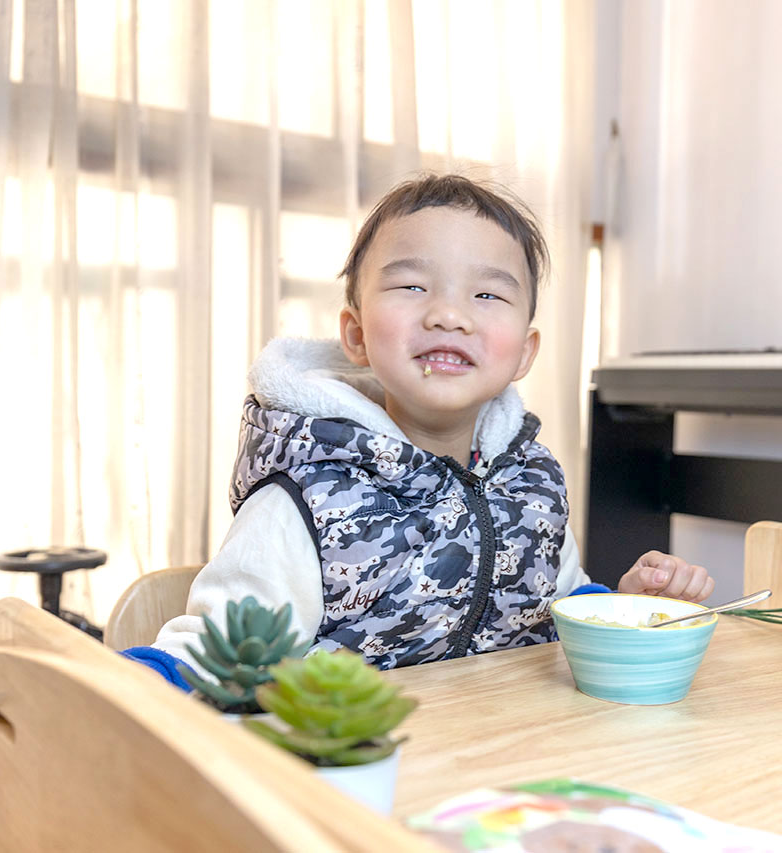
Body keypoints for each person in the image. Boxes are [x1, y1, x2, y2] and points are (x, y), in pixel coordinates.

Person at [127, 174, 712, 684]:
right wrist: (117, 690)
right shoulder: (305, 497)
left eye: (487, 293)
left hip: (508, 772)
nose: (449, 315)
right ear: (355, 335)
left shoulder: (532, 484)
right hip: (353, 773)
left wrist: (622, 610)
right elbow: (212, 656)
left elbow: (552, 606)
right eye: (412, 287)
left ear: (524, 354)